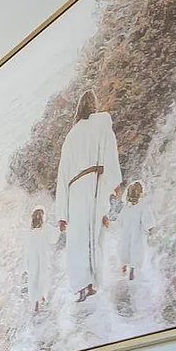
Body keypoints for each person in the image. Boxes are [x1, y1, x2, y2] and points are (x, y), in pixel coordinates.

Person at [54, 89, 122, 302]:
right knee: (94, 235)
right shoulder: (102, 123)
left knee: (78, 239)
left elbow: (62, 176)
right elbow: (110, 151)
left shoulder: (71, 136)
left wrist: (62, 213)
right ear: (93, 104)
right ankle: (92, 283)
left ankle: (82, 285)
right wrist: (115, 182)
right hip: (93, 183)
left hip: (75, 191)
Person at [116, 179, 153, 281]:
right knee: (135, 251)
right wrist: (150, 228)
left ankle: (126, 267)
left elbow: (120, 222)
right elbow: (148, 222)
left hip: (127, 235)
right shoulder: (143, 207)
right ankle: (131, 271)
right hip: (136, 236)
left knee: (126, 250)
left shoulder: (127, 208)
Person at [25, 207, 51, 313]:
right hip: (42, 259)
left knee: (34, 280)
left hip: (33, 260)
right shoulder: (45, 228)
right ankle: (42, 299)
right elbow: (54, 238)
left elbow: (25, 250)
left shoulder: (30, 232)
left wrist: (26, 265)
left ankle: (36, 303)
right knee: (42, 278)